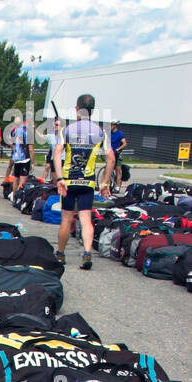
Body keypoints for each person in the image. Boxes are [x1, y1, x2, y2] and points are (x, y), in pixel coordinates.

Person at [54, 93, 113, 270]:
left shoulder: (68, 130)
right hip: (87, 182)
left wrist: (59, 178)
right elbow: (111, 158)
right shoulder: (101, 131)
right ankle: (87, 253)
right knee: (86, 219)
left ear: (77, 109)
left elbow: (57, 153)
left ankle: (61, 254)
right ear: (92, 111)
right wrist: (105, 183)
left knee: (66, 218)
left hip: (69, 181)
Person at [9, 117, 34, 194]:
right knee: (22, 180)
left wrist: (15, 150)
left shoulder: (15, 131)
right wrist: (32, 162)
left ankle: (14, 196)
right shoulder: (28, 132)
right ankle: (19, 197)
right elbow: (30, 149)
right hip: (25, 158)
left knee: (16, 178)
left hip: (16, 158)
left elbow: (11, 143)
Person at [105, 120, 127, 192]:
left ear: (115, 125)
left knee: (118, 170)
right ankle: (106, 185)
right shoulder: (109, 133)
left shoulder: (119, 133)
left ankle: (117, 187)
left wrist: (118, 149)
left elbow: (124, 143)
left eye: (111, 125)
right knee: (107, 169)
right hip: (111, 153)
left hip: (118, 153)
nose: (110, 126)